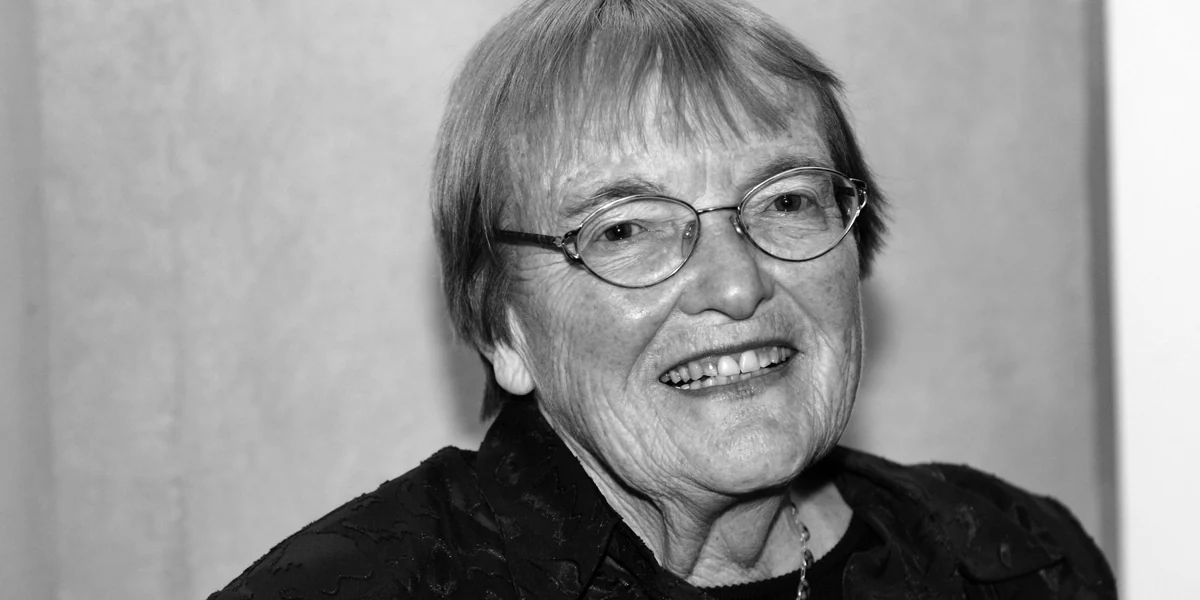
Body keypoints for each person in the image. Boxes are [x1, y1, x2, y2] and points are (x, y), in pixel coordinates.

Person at [208, 0, 1116, 598]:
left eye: (786, 202)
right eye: (625, 229)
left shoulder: (1016, 562)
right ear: (503, 328)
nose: (737, 283)